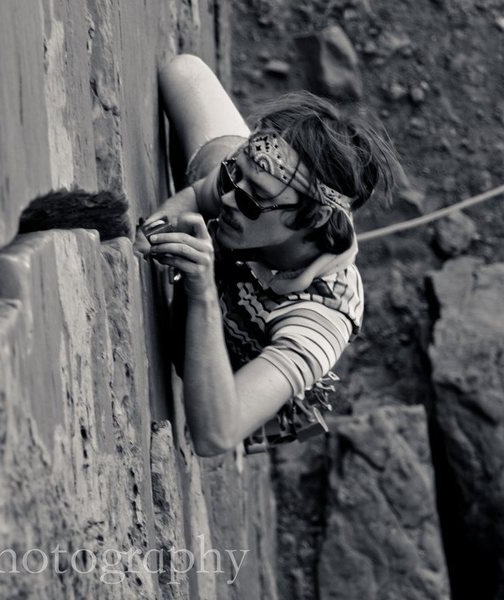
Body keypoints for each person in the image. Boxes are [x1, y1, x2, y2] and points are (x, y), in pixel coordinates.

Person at [135, 54, 399, 456]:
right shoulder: (242, 184)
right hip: (252, 226)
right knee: (183, 73)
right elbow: (183, 77)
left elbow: (214, 436)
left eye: (255, 196)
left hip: (233, 371)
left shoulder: (322, 319)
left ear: (314, 218)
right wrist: (156, 229)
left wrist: (203, 291)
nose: (228, 197)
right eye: (234, 173)